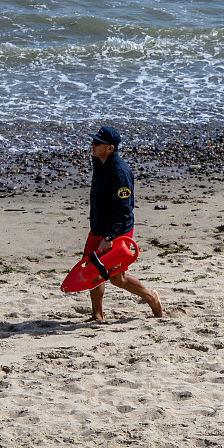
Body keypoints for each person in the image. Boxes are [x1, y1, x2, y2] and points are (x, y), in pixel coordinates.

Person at [83, 126, 162, 322]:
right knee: (91, 269)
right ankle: (97, 315)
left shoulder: (121, 173)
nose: (92, 145)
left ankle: (151, 297)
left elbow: (123, 210)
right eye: (92, 141)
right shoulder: (100, 163)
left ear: (110, 148)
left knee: (117, 278)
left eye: (97, 143)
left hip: (116, 232)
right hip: (98, 229)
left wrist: (109, 237)